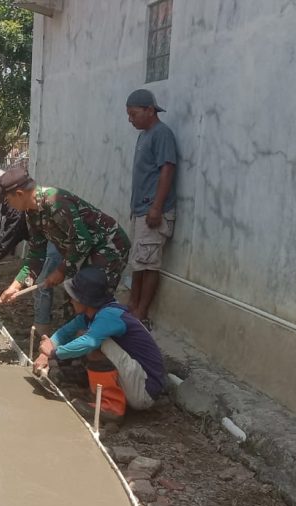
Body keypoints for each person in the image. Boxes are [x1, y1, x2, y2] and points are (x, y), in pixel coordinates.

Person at [0, 167, 130, 304]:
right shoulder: (31, 213)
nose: (7, 204)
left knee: (92, 298)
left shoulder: (55, 202)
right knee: (74, 299)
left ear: (19, 194)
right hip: (84, 252)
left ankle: (109, 325)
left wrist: (61, 270)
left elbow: (82, 241)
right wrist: (15, 286)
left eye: (8, 199)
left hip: (108, 245)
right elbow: (36, 254)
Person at [34, 267, 166, 423]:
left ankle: (111, 407)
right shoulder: (92, 313)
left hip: (144, 390)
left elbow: (88, 343)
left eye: (73, 297)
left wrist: (54, 353)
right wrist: (44, 354)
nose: (71, 300)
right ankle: (90, 380)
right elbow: (64, 333)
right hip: (136, 378)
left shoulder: (108, 316)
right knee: (85, 336)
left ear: (85, 300)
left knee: (92, 341)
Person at [0, 168, 63, 335]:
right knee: (40, 281)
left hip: (57, 245)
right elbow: (32, 253)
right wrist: (17, 285)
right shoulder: (17, 206)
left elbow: (7, 244)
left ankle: (42, 333)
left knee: (43, 285)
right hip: (46, 245)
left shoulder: (21, 206)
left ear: (1, 190)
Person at [124, 88, 178, 328]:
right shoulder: (144, 136)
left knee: (149, 262)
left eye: (133, 114)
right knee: (139, 261)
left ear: (149, 110)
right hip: (140, 210)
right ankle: (132, 305)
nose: (130, 119)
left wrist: (156, 207)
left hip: (153, 211)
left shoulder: (161, 134)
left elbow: (167, 169)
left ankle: (141, 313)